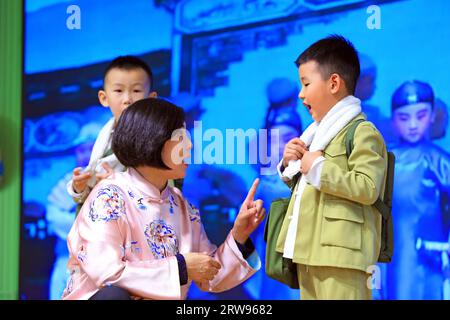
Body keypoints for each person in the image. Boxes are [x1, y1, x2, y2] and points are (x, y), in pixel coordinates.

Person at [62, 98, 266, 300]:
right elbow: (108, 275)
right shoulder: (108, 197)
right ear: (151, 140)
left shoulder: (181, 205)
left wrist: (238, 235)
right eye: (180, 138)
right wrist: (181, 268)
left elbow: (210, 274)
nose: (189, 145)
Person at [276, 35, 388, 300]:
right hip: (309, 253)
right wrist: (291, 163)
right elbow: (312, 187)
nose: (301, 94)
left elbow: (368, 187)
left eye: (305, 83)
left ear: (334, 83)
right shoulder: (315, 134)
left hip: (343, 257)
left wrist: (317, 166)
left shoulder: (362, 131)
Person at [386, 80, 450, 300]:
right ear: (393, 121)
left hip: (431, 260)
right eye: (404, 118)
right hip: (389, 257)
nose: (412, 124)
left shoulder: (441, 163)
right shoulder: (382, 162)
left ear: (433, 115)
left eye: (420, 116)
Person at [66, 56, 157, 210]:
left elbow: (165, 190)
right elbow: (92, 186)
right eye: (119, 91)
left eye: (136, 90)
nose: (127, 99)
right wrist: (79, 187)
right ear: (104, 98)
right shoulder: (105, 133)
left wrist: (117, 185)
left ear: (151, 98)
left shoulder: (157, 138)